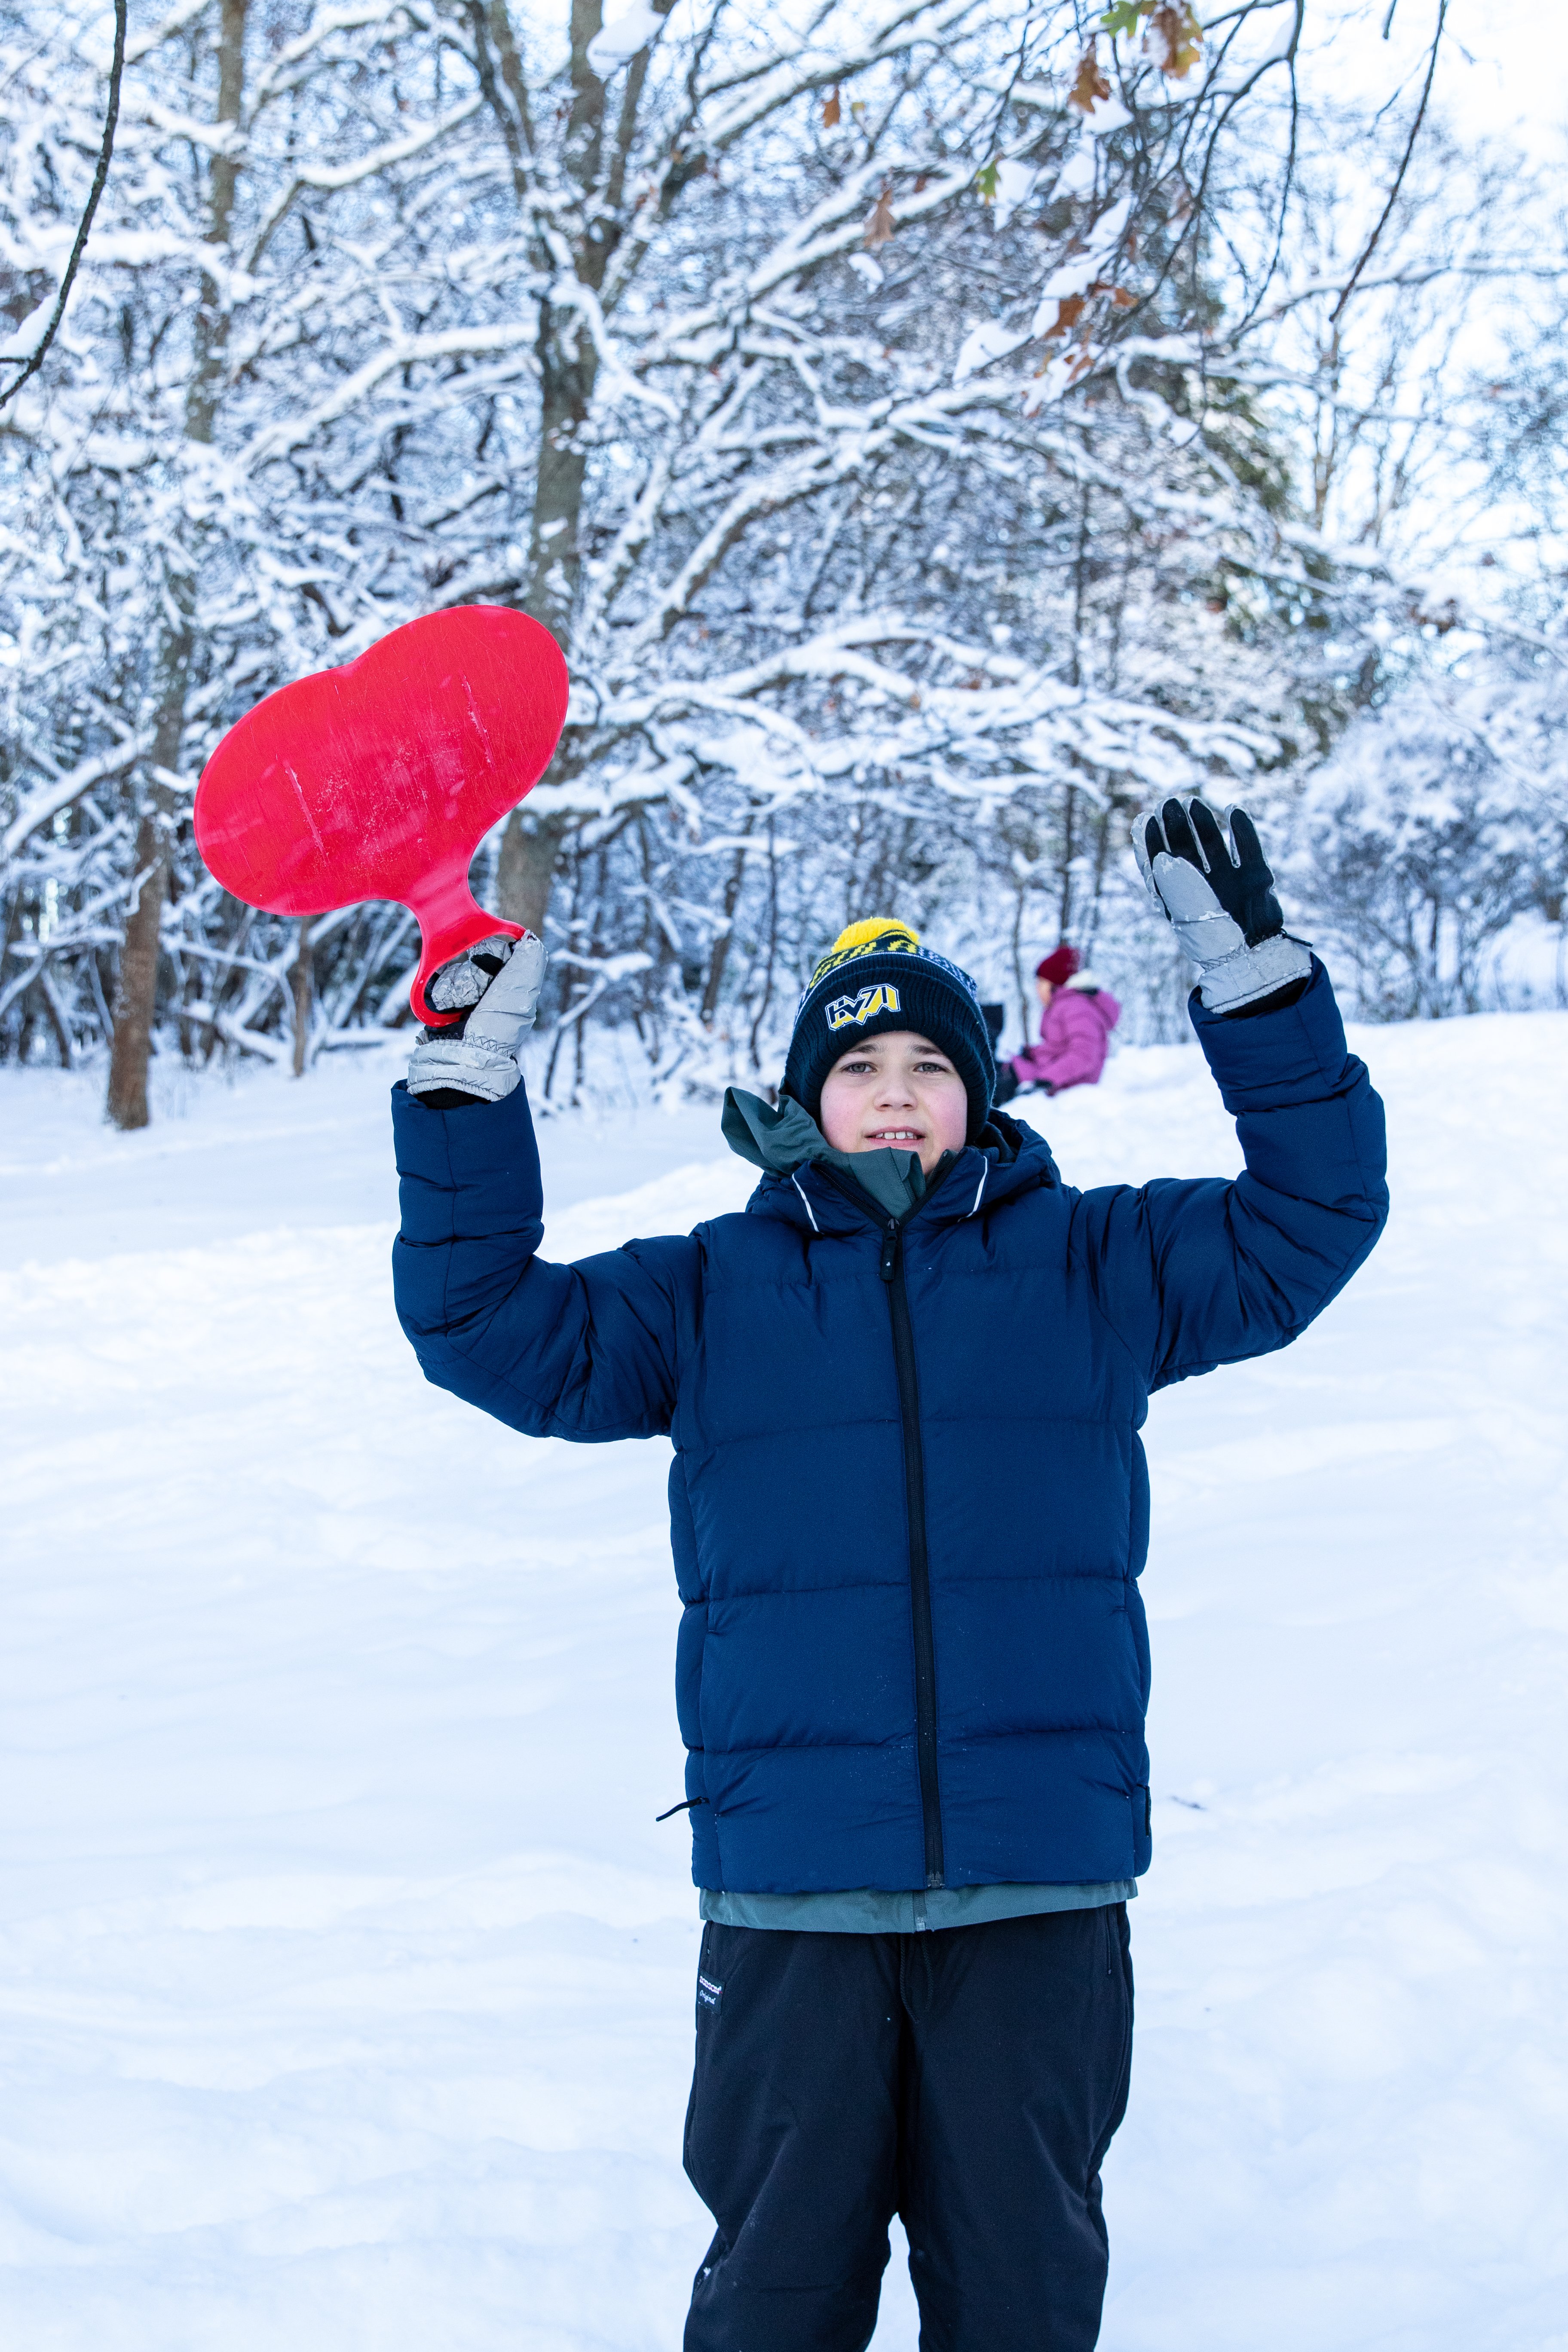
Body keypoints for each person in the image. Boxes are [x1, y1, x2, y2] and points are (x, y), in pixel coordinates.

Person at [389, 796, 1387, 2352]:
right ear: (808, 1097)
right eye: (858, 1066)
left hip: (1036, 1884)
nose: (896, 1093)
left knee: (1022, 2294)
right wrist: (460, 1094)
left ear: (977, 1090)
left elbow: (1309, 1219)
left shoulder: (1090, 1264)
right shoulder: (707, 1290)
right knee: (777, 2294)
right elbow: (485, 1331)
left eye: (928, 1063)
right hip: (794, 1892)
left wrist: (1255, 987)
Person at [995, 943, 1119, 1103]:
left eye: (1041, 983)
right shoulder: (1066, 1005)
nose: (1037, 989)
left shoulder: (1077, 1007)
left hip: (1063, 1083)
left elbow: (1084, 1055)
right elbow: (1058, 1048)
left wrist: (1045, 1080)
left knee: (990, 1085)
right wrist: (1032, 1053)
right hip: (1047, 1073)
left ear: (1055, 984)